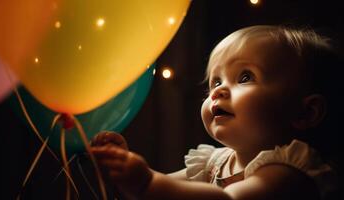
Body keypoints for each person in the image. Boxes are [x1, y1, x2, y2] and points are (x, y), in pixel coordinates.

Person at [90, 25, 341, 200]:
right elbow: (165, 188)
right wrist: (125, 167)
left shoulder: (289, 173)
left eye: (245, 77)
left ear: (305, 113)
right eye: (215, 81)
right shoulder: (215, 162)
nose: (218, 92)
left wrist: (145, 183)